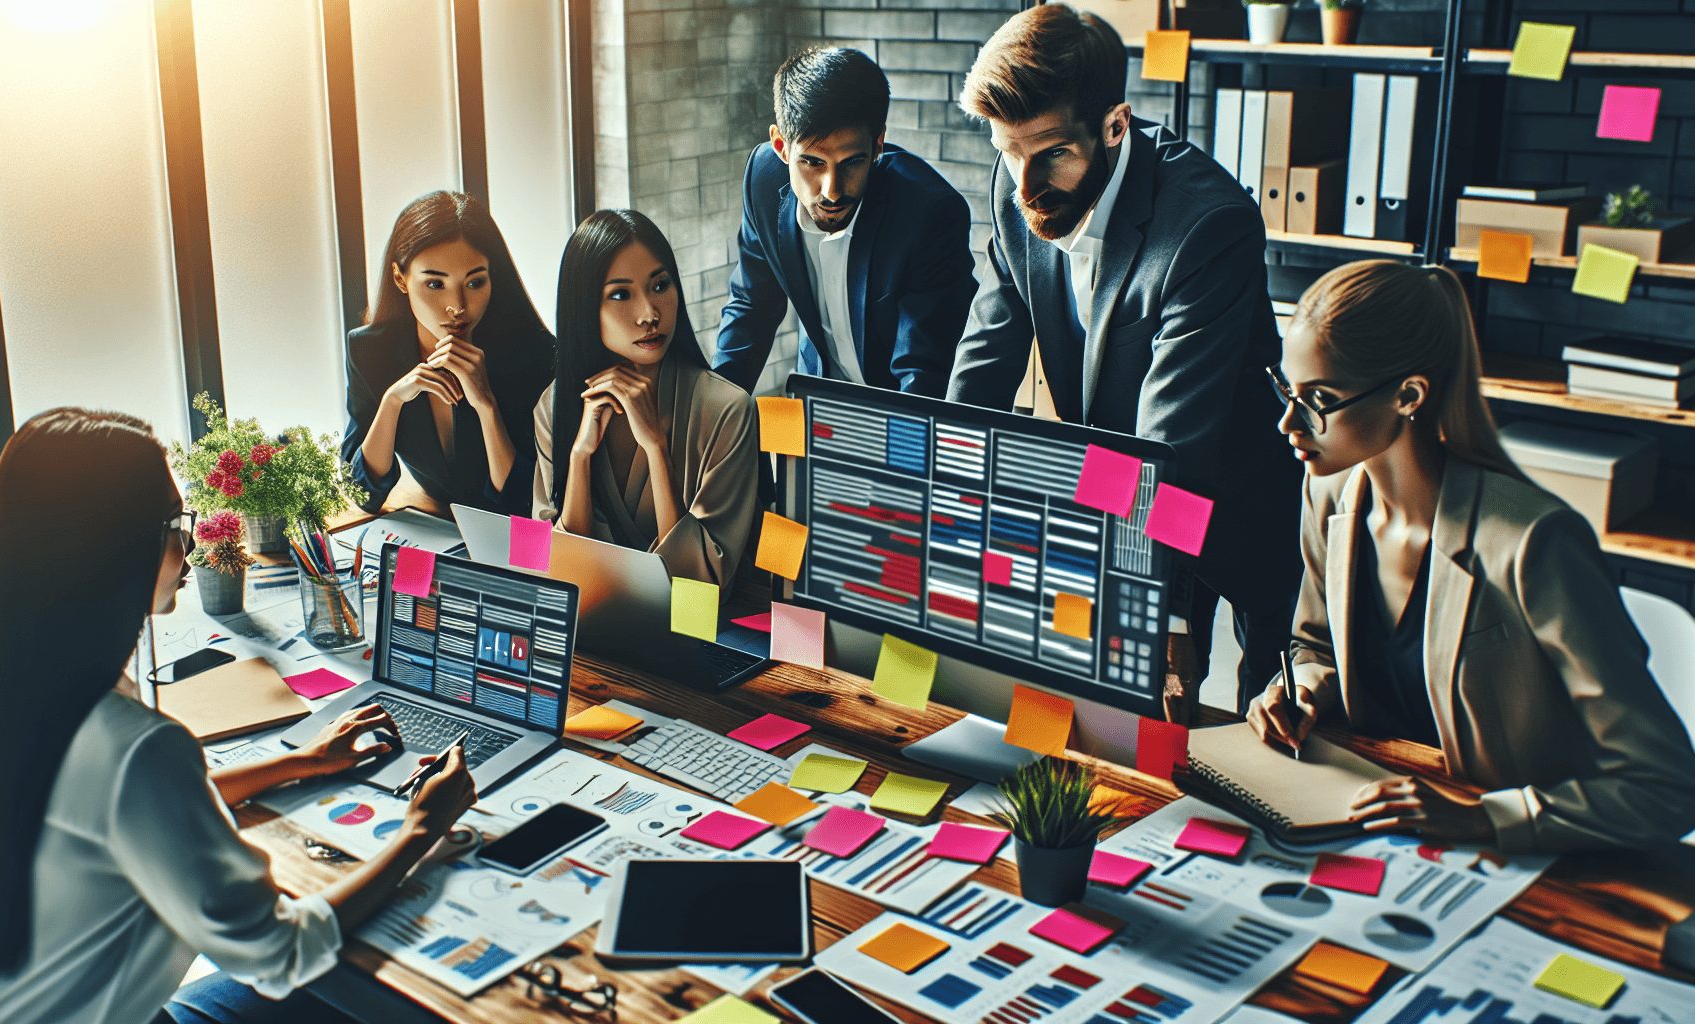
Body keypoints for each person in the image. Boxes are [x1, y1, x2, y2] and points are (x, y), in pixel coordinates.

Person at [0, 408, 478, 1024]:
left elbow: (128, 811)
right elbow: (280, 955)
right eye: (172, 525)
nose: (191, 544)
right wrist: (421, 829)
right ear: (105, 547)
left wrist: (302, 762)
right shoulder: (136, 747)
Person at [1246, 261, 1695, 852]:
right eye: (1288, 390)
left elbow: (1666, 787)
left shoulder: (1536, 543)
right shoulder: (1328, 494)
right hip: (1369, 826)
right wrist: (1303, 685)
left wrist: (1484, 817)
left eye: (1318, 399)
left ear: (1409, 395)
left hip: (1513, 859)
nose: (1288, 423)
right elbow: (1314, 643)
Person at [945, 4, 1300, 709]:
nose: (1023, 185)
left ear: (1115, 124)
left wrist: (1162, 613)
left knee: (1267, 715)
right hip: (1124, 484)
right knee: (1148, 712)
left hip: (1232, 495)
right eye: (1006, 150)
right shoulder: (1020, 181)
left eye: (1050, 154)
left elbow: (1173, 443)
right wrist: (948, 505)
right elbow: (981, 364)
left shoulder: (1208, 225)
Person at [710, 47, 976, 397]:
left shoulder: (929, 213)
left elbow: (923, 370)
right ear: (781, 146)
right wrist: (710, 417)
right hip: (816, 395)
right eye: (812, 163)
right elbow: (751, 307)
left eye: (852, 162)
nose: (832, 191)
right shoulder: (762, 180)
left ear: (878, 143)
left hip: (896, 408)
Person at [534, 210, 760, 587]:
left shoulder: (727, 410)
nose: (649, 314)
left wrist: (656, 447)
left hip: (694, 633)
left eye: (660, 285)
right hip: (592, 627)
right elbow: (550, 570)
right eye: (621, 294)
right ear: (583, 308)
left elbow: (701, 590)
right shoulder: (554, 406)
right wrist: (579, 457)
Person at [343, 191, 554, 517]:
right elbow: (361, 494)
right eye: (435, 285)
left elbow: (528, 505)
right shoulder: (371, 350)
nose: (457, 306)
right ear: (401, 278)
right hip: (435, 530)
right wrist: (392, 401)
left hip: (519, 545)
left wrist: (486, 406)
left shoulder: (533, 354)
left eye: (474, 283)